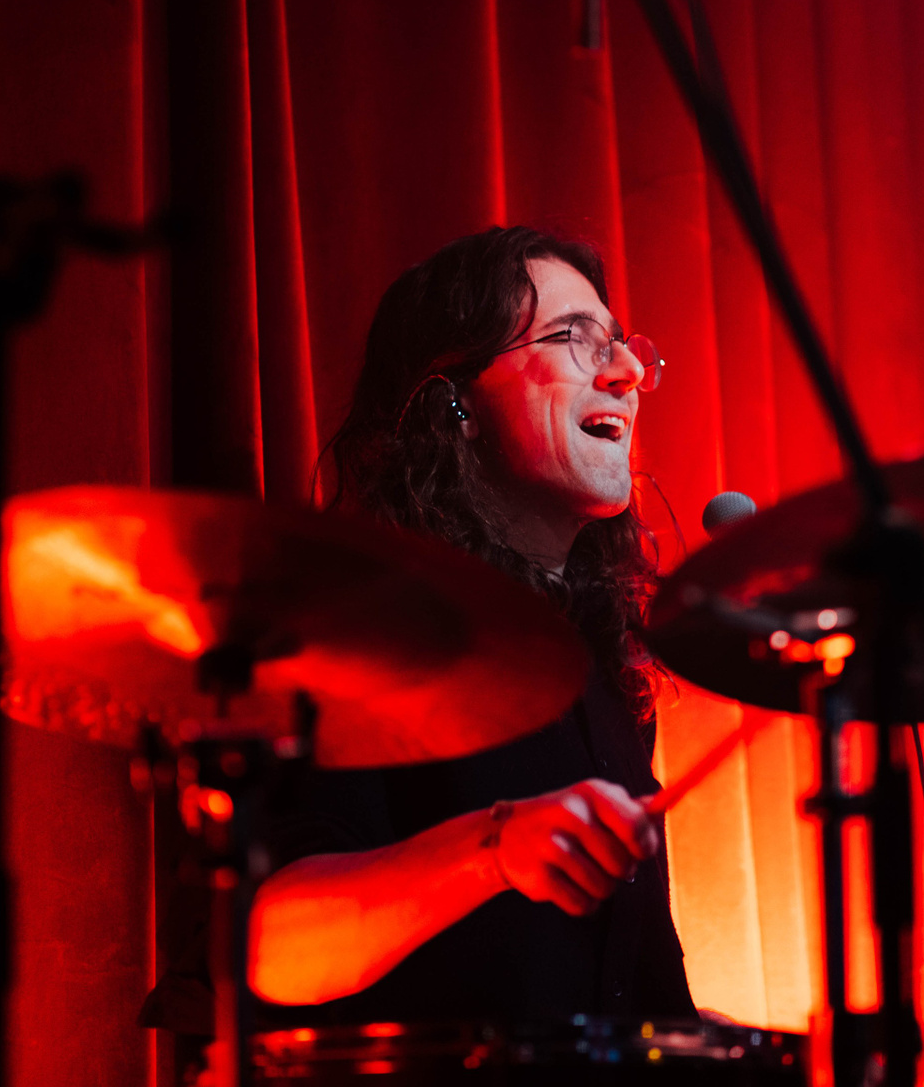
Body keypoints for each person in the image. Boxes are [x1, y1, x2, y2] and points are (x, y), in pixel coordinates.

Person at [246, 225, 694, 1024]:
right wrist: (492, 846)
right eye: (572, 338)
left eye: (620, 344)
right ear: (457, 406)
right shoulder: (360, 633)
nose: (626, 372)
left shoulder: (602, 660)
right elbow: (274, 947)